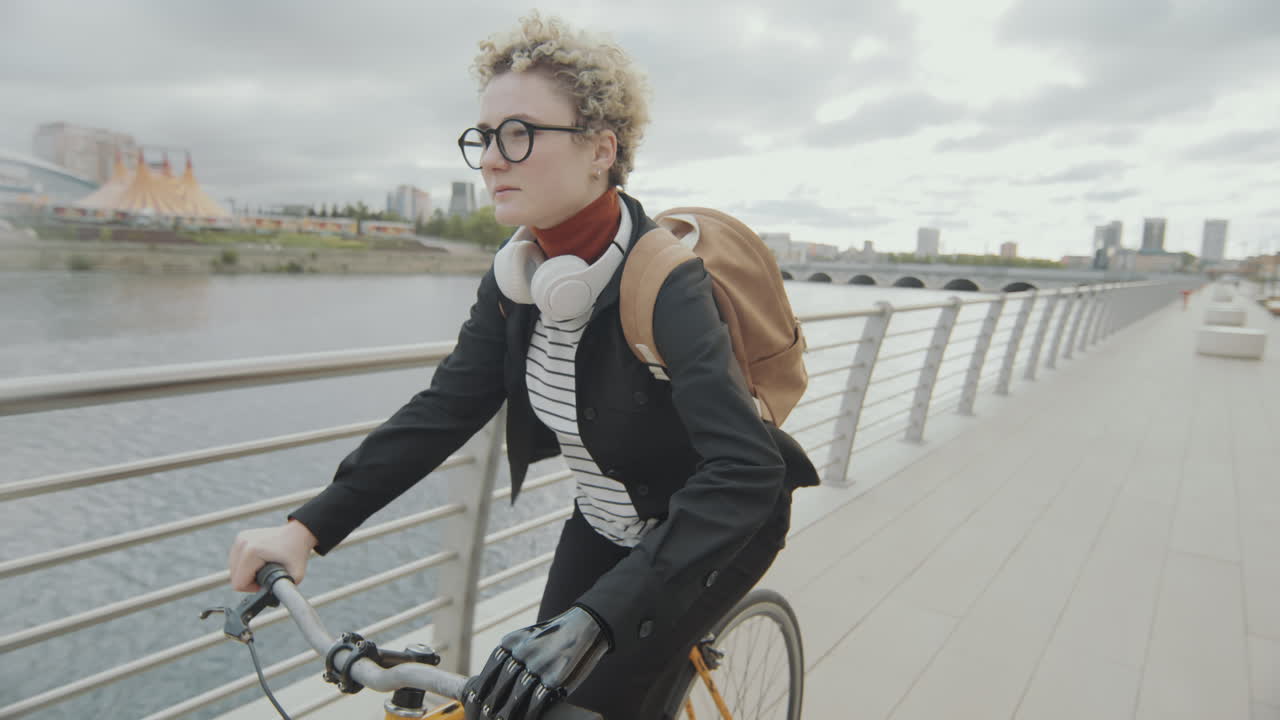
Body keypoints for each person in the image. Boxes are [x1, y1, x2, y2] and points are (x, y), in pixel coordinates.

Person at [227, 13, 816, 720]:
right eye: (484, 137)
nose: (492, 159)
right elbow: (444, 410)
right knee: (518, 707)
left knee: (598, 703)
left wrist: (597, 619)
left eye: (520, 133)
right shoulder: (520, 279)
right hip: (603, 523)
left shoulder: (668, 285)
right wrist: (306, 529)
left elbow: (746, 472)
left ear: (601, 149)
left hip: (710, 532)